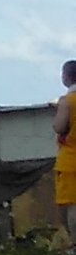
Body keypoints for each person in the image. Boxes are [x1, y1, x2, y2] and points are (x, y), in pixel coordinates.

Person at [56, 61, 76, 239]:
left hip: (71, 160)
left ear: (67, 77)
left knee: (72, 205)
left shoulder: (67, 101)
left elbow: (59, 127)